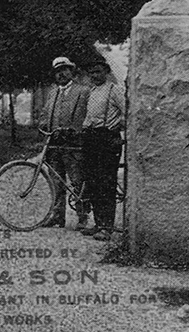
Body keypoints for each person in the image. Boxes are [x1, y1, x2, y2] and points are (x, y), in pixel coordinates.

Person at [39, 56, 89, 229]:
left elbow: (87, 116)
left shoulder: (83, 91)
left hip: (73, 144)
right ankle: (57, 215)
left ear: (71, 71)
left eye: (64, 70)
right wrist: (43, 125)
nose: (60, 74)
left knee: (78, 180)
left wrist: (76, 130)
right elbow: (45, 114)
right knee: (55, 180)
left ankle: (82, 217)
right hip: (54, 144)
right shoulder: (53, 92)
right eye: (57, 71)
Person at [81, 60, 125, 240]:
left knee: (106, 183)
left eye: (98, 72)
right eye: (91, 72)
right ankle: (98, 223)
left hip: (107, 139)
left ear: (106, 72)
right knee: (93, 182)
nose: (94, 76)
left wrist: (117, 129)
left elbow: (127, 111)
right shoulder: (92, 91)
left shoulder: (114, 90)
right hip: (92, 138)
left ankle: (107, 227)